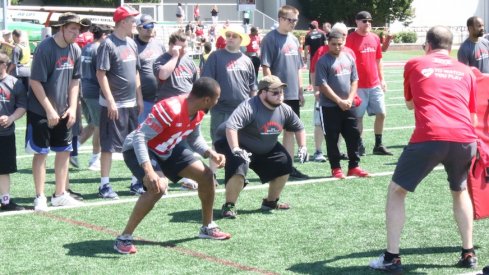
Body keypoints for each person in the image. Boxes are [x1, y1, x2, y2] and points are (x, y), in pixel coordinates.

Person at [369, 26, 479, 272]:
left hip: (430, 135)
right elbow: (473, 118)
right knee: (460, 190)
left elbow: (409, 104)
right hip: (465, 138)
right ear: (451, 47)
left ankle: (392, 257)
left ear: (427, 45)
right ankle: (468, 253)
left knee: (397, 191)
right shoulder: (466, 70)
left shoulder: (415, 63)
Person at [113, 77, 231, 254]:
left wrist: (210, 153)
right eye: (216, 98)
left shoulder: (198, 110)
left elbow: (193, 138)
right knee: (158, 187)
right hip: (139, 148)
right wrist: (149, 170)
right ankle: (124, 238)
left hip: (167, 148)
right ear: (207, 99)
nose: (217, 101)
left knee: (206, 175)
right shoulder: (171, 108)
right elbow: (140, 138)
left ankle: (208, 227)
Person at [214, 75, 308, 218]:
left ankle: (270, 202)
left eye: (281, 92)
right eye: (275, 92)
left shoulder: (285, 109)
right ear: (263, 92)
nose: (280, 96)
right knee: (240, 166)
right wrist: (235, 149)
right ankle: (229, 205)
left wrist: (303, 147)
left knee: (285, 163)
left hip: (264, 146)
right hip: (234, 142)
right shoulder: (249, 106)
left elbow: (299, 127)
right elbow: (231, 127)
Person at [26, 12, 86, 211]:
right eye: (72, 29)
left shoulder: (75, 49)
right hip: (41, 111)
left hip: (64, 110)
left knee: (64, 152)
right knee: (41, 153)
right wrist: (49, 110)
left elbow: (75, 80)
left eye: (78, 30)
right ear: (62, 28)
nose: (75, 33)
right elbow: (34, 81)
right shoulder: (45, 48)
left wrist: (72, 107)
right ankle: (40, 196)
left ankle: (60, 194)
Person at [96, 6, 142, 200]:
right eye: (132, 20)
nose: (135, 24)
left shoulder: (132, 43)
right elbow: (101, 74)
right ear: (123, 22)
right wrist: (111, 101)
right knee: (108, 146)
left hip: (131, 103)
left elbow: (136, 72)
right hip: (113, 105)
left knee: (133, 144)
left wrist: (139, 97)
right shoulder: (107, 44)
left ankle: (135, 181)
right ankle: (104, 185)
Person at [260, 5, 308, 179]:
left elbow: (298, 68)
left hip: (293, 94)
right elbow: (266, 68)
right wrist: (271, 91)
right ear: (280, 19)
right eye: (290, 20)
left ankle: (288, 166)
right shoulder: (269, 39)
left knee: (290, 131)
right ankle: (267, 165)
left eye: (295, 20)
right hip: (276, 95)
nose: (293, 23)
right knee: (268, 131)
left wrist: (300, 91)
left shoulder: (294, 40)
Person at [201, 25, 257, 173]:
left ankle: (237, 173)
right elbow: (207, 81)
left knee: (239, 143)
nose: (230, 38)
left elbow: (253, 86)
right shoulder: (215, 56)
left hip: (242, 110)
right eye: (228, 35)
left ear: (241, 39)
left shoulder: (247, 60)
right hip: (221, 108)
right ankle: (211, 175)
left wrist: (254, 108)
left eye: (234, 36)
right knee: (217, 142)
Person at [315, 31, 368, 179]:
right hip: (330, 108)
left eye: (340, 44)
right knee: (332, 138)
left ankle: (354, 166)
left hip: (348, 106)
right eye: (333, 44)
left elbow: (354, 80)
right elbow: (323, 85)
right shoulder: (323, 61)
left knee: (353, 136)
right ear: (328, 43)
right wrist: (339, 101)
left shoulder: (349, 58)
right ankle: (336, 168)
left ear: (344, 42)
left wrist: (350, 99)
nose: (337, 47)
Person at [153, 31, 199, 190]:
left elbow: (195, 85)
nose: (185, 50)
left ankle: (187, 177)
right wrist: (174, 57)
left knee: (187, 143)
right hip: (167, 111)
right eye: (181, 47)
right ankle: (159, 178)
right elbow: (163, 75)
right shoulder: (161, 60)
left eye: (186, 46)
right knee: (162, 145)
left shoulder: (189, 62)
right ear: (172, 46)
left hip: (187, 110)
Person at [346, 11, 392, 156]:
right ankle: (359, 145)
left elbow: (379, 59)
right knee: (358, 117)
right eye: (364, 21)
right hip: (358, 85)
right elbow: (347, 62)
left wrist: (382, 79)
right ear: (357, 22)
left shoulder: (375, 38)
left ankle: (378, 144)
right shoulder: (351, 39)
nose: (367, 23)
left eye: (369, 21)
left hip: (374, 84)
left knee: (382, 113)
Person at [79, 25, 110, 172]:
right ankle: (94, 159)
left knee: (91, 124)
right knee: (99, 126)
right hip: (94, 91)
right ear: (103, 35)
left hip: (83, 89)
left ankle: (73, 150)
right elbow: (102, 73)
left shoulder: (86, 47)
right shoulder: (99, 49)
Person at [0, 53, 27, 211]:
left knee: (4, 169)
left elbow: (22, 106)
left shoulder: (15, 83)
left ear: (5, 65)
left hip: (5, 133)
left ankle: (5, 201)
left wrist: (10, 118)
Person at [134, 14, 166, 123]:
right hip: (144, 100)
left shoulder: (159, 44)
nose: (150, 28)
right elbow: (134, 73)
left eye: (152, 25)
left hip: (161, 98)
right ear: (138, 28)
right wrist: (139, 99)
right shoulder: (133, 46)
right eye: (147, 26)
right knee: (141, 134)